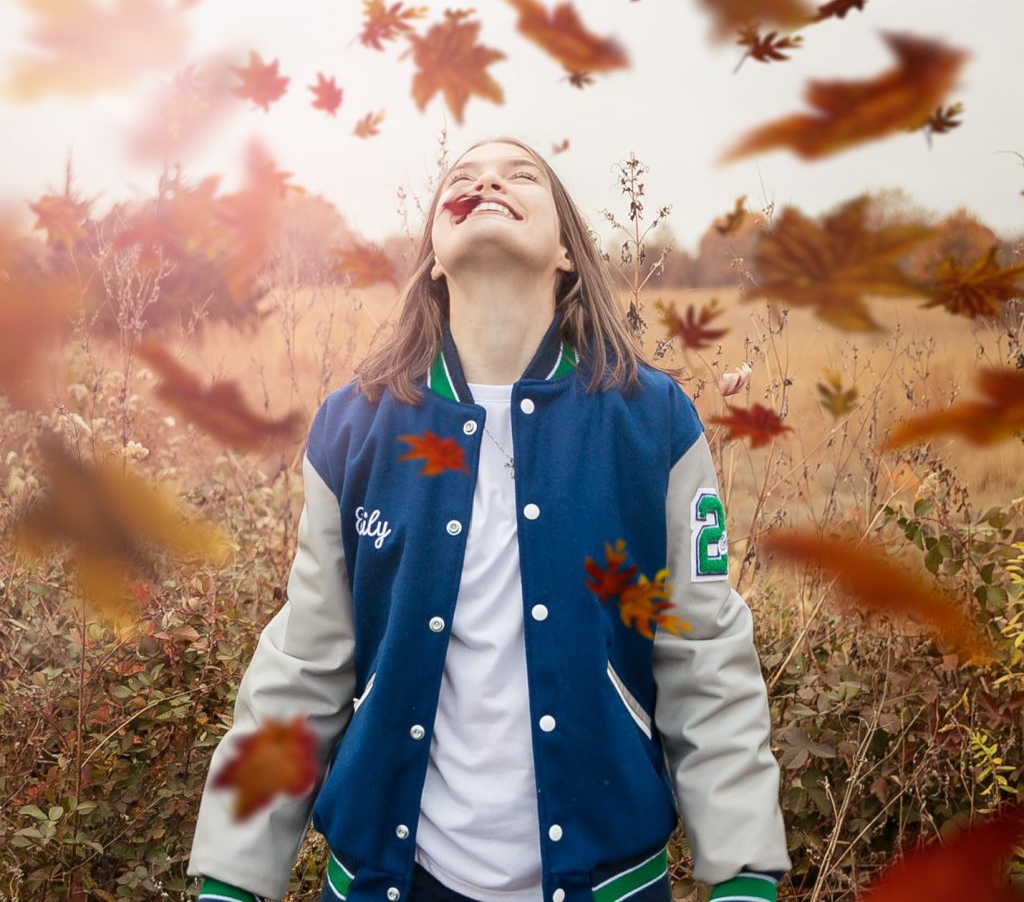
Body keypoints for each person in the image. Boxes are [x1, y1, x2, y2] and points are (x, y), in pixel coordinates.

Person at [188, 136, 792, 902]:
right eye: (463, 177)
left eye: (520, 175)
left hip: (610, 883)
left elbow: (703, 656)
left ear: (567, 251)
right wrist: (235, 878)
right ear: (434, 257)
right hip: (389, 883)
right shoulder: (358, 427)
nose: (487, 182)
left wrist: (743, 873)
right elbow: (302, 667)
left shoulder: (652, 424)